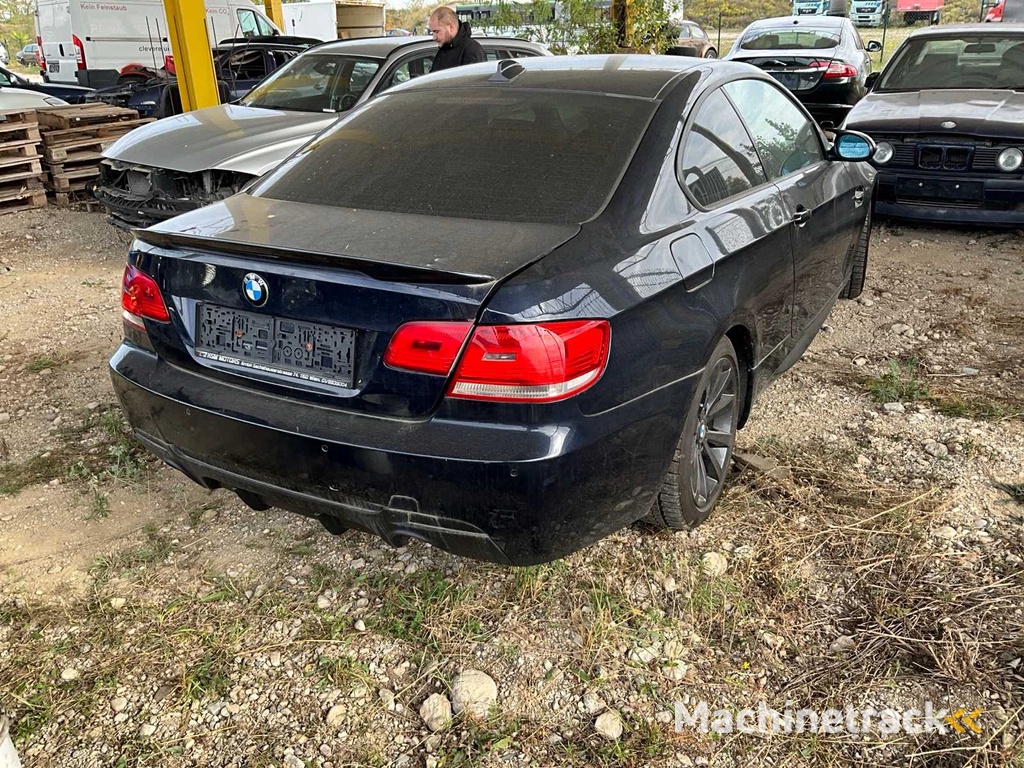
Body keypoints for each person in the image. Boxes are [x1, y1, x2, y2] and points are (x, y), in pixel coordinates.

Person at [429, 6, 485, 72]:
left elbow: (474, 80)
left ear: (451, 27)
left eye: (437, 31)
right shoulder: (444, 50)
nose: (434, 37)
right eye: (433, 32)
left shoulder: (472, 49)